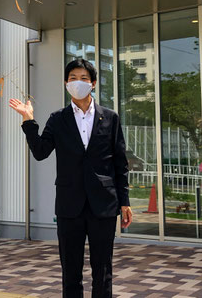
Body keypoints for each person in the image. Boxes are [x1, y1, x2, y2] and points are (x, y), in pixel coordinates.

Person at [9, 58, 133, 298]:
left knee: (103, 270)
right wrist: (28, 121)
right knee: (70, 272)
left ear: (94, 84)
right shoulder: (58, 118)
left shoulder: (110, 117)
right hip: (69, 205)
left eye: (84, 79)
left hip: (103, 204)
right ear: (66, 84)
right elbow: (41, 152)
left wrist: (125, 201)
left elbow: (120, 163)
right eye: (73, 78)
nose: (78, 82)